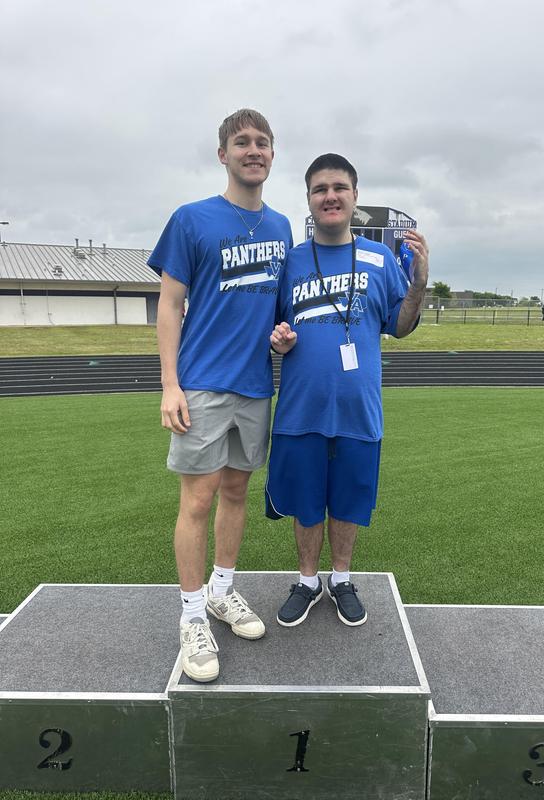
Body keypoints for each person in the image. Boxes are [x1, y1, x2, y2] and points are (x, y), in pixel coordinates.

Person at [148, 109, 293, 682]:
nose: (252, 150)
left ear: (272, 155)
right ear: (223, 154)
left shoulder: (283, 227)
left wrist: (282, 337)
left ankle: (222, 592)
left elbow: (277, 310)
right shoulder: (192, 219)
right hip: (202, 383)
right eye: (241, 142)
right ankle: (190, 616)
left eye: (262, 142)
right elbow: (168, 305)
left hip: (256, 385)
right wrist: (169, 384)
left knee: (236, 492)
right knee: (198, 500)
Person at [266, 153, 429, 627]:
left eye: (339, 187)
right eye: (320, 189)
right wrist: (278, 340)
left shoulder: (380, 259)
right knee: (306, 501)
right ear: (310, 200)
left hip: (359, 411)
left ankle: (340, 578)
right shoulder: (290, 261)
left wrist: (419, 284)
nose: (330, 196)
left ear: (354, 197)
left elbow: (399, 325)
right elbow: (272, 328)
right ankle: (307, 580)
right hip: (301, 409)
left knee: (349, 499)